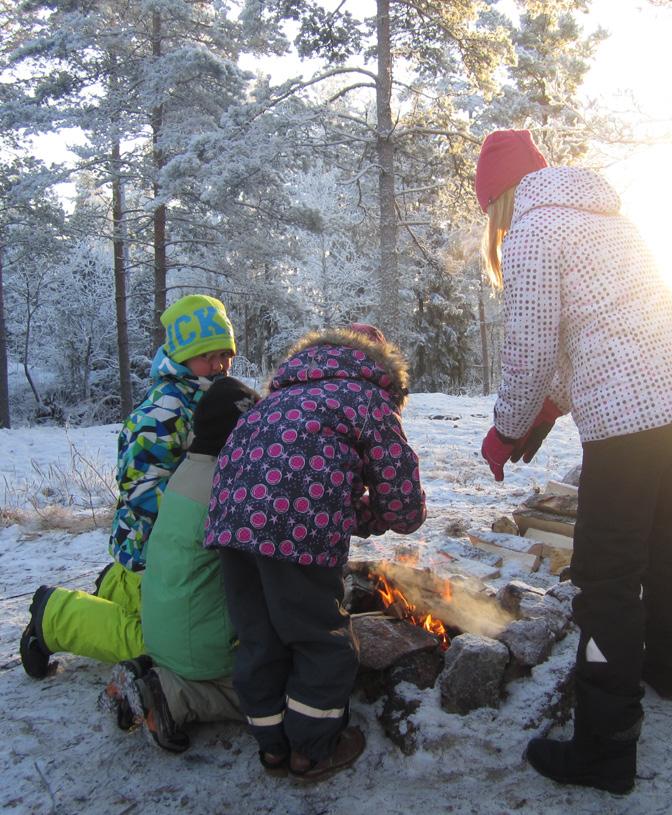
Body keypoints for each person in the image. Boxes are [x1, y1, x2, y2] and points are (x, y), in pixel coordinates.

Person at [474, 129, 672, 794]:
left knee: (605, 578)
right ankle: (665, 666)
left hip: (629, 420)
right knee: (668, 538)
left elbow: (529, 349)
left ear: (495, 199)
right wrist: (546, 412)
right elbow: (598, 332)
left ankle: (605, 745)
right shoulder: (605, 217)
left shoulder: (530, 232)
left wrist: (506, 428)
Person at [205, 323, 427, 780]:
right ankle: (312, 749)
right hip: (297, 529)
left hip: (230, 525)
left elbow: (303, 476)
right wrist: (381, 516)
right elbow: (403, 504)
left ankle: (271, 748)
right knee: (320, 639)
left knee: (258, 638)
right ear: (381, 365)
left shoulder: (277, 398)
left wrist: (351, 514)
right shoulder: (367, 396)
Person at [20, 294, 237, 679]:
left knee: (167, 602)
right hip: (155, 535)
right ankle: (56, 616)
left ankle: (117, 586)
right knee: (169, 634)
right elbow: (140, 482)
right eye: (209, 356)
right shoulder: (166, 407)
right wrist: (176, 530)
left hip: (175, 537)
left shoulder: (207, 396)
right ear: (184, 355)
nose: (219, 365)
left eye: (226, 354)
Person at [101, 376, 260, 753]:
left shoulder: (185, 472)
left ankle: (154, 675)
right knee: (270, 694)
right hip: (201, 645)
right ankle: (173, 697)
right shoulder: (229, 488)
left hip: (162, 631)